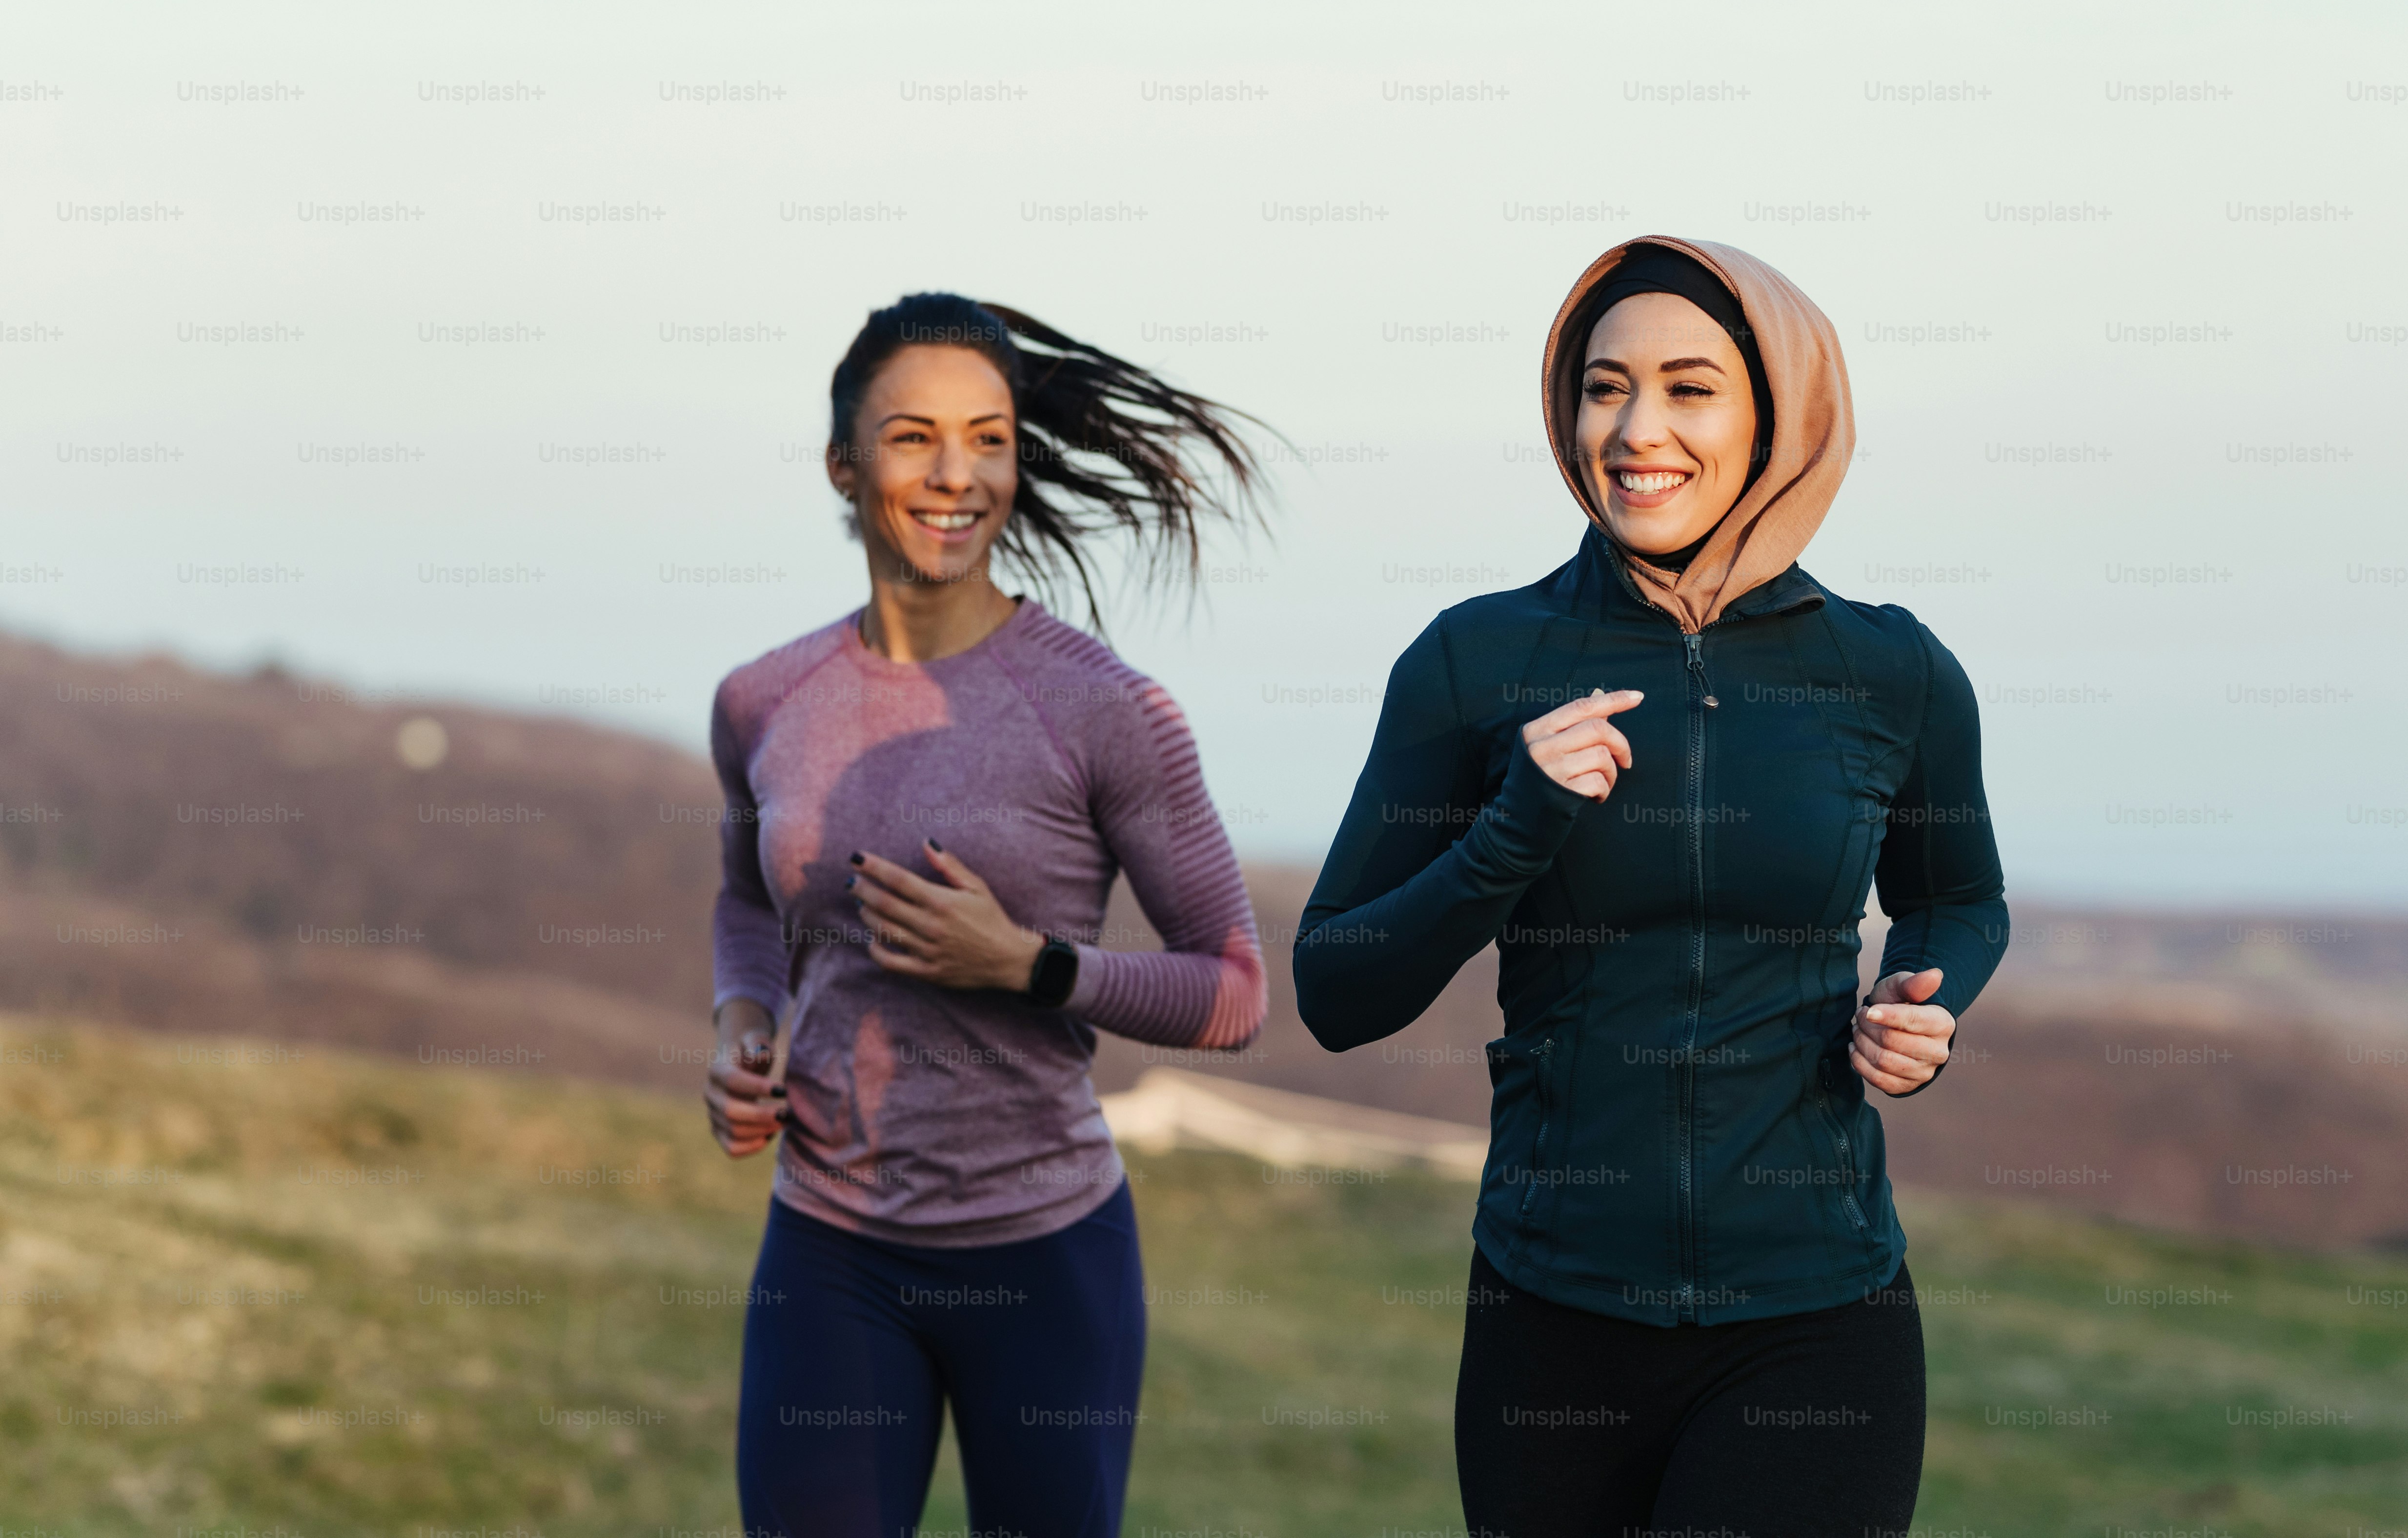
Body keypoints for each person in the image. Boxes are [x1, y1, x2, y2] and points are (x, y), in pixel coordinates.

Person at [1294, 237, 2007, 1537]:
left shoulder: (1889, 671)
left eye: (1689, 388)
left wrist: (1928, 1001)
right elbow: (1338, 986)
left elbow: (1960, 896)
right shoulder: (1476, 658)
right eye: (1604, 387)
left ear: (1776, 414)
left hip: (1815, 1317)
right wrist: (1514, 827)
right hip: (1551, 1323)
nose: (1637, 429)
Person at [704, 293, 1270, 1538]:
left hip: (1045, 1256)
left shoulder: (1108, 710)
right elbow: (750, 903)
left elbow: (1233, 987)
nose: (955, 474)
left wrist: (1030, 965)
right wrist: (741, 1027)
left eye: (988, 437)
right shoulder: (762, 700)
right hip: (830, 1248)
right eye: (912, 439)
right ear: (845, 467)